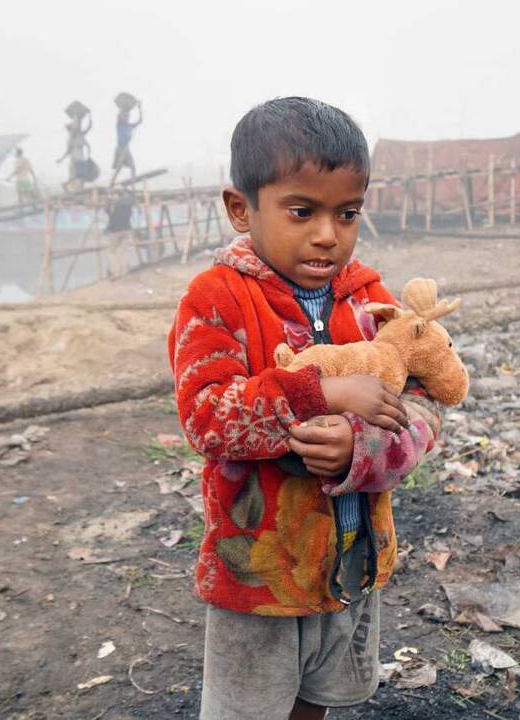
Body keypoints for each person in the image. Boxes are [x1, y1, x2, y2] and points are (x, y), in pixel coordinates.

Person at [168, 96, 444, 720]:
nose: (328, 233)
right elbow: (206, 418)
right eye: (302, 211)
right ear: (242, 209)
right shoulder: (216, 299)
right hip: (259, 575)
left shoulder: (367, 297)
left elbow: (425, 405)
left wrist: (365, 448)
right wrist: (317, 394)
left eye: (347, 213)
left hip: (352, 558)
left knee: (316, 700)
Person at [110, 98, 143, 186]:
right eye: (126, 116)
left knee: (132, 167)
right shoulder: (119, 124)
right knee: (118, 169)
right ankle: (111, 184)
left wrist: (140, 109)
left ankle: (133, 186)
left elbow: (140, 121)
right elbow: (120, 115)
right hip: (121, 149)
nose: (127, 117)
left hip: (126, 149)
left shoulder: (129, 125)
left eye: (128, 116)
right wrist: (123, 106)